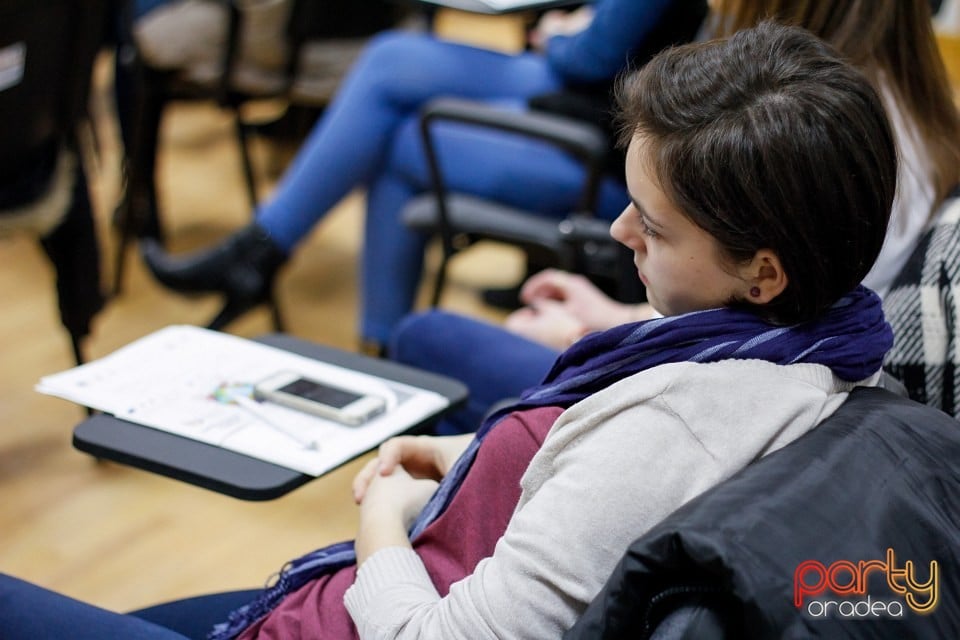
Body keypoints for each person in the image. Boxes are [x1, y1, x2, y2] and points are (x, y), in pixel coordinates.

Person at [0, 21, 898, 639]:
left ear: (763, 271)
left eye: (653, 228)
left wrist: (383, 522)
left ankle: (258, 252)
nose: (619, 233)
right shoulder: (816, 352)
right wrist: (474, 451)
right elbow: (597, 477)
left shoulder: (676, 425)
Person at [392, 0, 960, 433]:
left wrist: (590, 336)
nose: (622, 229)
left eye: (651, 223)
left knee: (426, 336)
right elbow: (748, 302)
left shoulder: (802, 149)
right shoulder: (886, 123)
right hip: (751, 373)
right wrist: (617, 315)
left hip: (731, 399)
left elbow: (759, 336)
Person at [138, 0, 710, 352]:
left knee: (399, 133)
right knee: (391, 72)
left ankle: (353, 328)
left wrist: (562, 28)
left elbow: (590, 54)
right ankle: (363, 336)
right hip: (586, 98)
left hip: (609, 137)